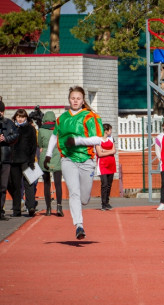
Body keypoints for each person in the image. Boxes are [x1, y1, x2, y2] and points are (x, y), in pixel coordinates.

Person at [44, 86, 104, 240]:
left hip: (86, 160)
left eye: (78, 98)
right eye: (72, 98)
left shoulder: (90, 117)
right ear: (69, 99)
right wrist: (48, 155)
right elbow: (54, 136)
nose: (75, 101)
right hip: (68, 160)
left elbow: (98, 139)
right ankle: (79, 225)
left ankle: (81, 213)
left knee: (84, 198)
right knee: (74, 193)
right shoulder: (62, 118)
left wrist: (77, 141)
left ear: (83, 100)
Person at [9, 109, 37, 217]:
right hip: (14, 161)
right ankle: (16, 210)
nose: (20, 119)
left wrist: (31, 160)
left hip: (26, 160)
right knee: (16, 186)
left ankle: (31, 207)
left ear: (26, 118)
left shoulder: (30, 129)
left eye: (22, 117)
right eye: (18, 117)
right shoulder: (11, 127)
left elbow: (33, 145)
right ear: (15, 117)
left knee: (29, 183)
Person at [38, 111, 63, 216]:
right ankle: (59, 207)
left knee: (47, 184)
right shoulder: (59, 129)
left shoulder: (41, 129)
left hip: (45, 158)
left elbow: (39, 143)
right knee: (58, 184)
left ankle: (48, 208)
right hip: (56, 156)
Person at [96, 123, 116, 211]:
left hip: (111, 163)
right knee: (104, 184)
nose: (111, 132)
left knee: (109, 184)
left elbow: (114, 151)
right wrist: (109, 151)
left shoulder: (111, 139)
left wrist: (105, 150)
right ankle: (103, 203)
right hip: (102, 164)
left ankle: (107, 202)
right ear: (106, 131)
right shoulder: (98, 140)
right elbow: (99, 153)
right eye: (110, 130)